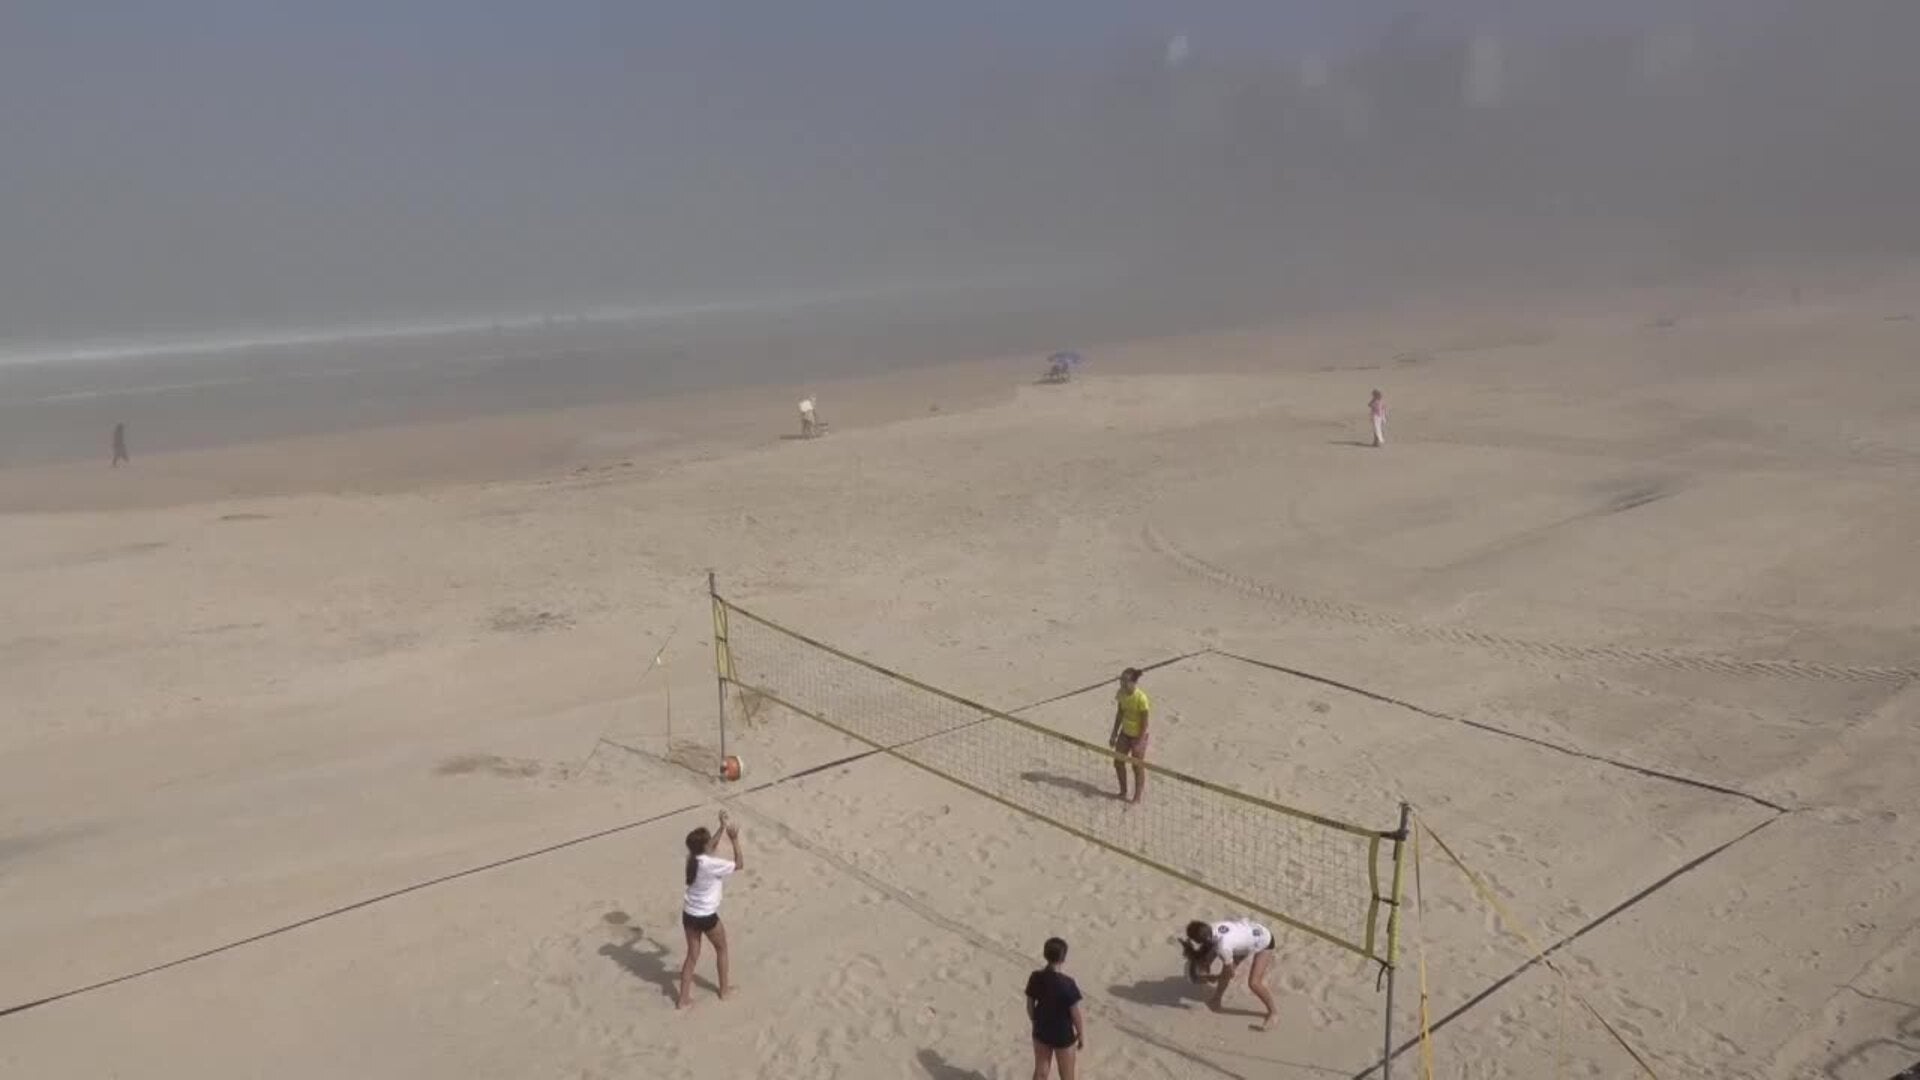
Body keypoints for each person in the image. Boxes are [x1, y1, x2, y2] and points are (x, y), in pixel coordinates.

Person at [678, 810, 743, 1009]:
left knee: (692, 956)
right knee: (722, 949)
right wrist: (734, 840)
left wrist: (721, 828)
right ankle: (724, 991)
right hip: (706, 916)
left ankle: (683, 1000)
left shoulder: (692, 859)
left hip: (689, 914)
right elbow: (739, 864)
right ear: (704, 846)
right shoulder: (711, 864)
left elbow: (709, 846)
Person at [1180, 918, 1278, 1030]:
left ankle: (1273, 1013)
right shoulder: (1211, 927)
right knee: (1223, 968)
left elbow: (1230, 973)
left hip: (1265, 940)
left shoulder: (1223, 946)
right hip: (1248, 934)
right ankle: (1216, 1000)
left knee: (1254, 983)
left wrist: (1214, 977)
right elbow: (1210, 950)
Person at [1025, 937, 1084, 1079]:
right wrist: (1080, 1033)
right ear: (1063, 958)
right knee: (1066, 1074)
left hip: (1041, 1029)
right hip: (1063, 1033)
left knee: (1041, 1070)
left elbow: (1030, 1004)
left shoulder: (1035, 977)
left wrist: (1035, 1020)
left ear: (1045, 954)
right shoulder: (1068, 984)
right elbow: (1075, 1013)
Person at [1108, 667, 1150, 804]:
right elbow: (1120, 714)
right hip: (1125, 733)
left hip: (1139, 735)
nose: (1122, 682)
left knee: (1137, 766)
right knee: (1118, 762)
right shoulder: (1121, 693)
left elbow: (1145, 723)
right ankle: (1123, 791)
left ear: (1133, 682)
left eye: (1125, 680)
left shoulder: (1141, 698)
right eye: (1121, 679)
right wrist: (1114, 734)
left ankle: (1137, 797)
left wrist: (1139, 741)